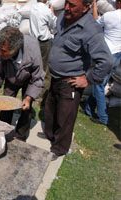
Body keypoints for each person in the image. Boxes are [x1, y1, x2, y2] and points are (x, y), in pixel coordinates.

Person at [44, 0, 113, 160]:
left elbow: (106, 61)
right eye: (67, 2)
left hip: (70, 82)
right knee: (50, 111)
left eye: (73, 5)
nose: (67, 7)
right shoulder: (63, 17)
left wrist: (88, 79)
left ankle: (59, 148)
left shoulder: (91, 30)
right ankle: (52, 137)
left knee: (65, 117)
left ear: (86, 7)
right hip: (55, 77)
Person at [0, 26, 45, 141]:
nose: (0, 53)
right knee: (6, 104)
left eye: (4, 51)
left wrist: (29, 98)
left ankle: (21, 136)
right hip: (11, 76)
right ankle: (2, 133)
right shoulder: (1, 48)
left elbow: (38, 78)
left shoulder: (32, 49)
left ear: (15, 48)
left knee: (25, 108)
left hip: (29, 79)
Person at [84, 0, 121, 125]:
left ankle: (103, 117)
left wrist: (94, 5)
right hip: (117, 56)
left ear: (119, 3)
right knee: (100, 82)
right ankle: (88, 109)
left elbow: (95, 23)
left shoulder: (110, 16)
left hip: (106, 54)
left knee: (98, 84)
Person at [29, 0, 57, 120]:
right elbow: (54, 25)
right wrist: (53, 13)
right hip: (44, 43)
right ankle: (40, 94)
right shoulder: (46, 10)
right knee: (45, 70)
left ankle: (31, 91)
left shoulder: (32, 8)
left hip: (33, 41)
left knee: (34, 68)